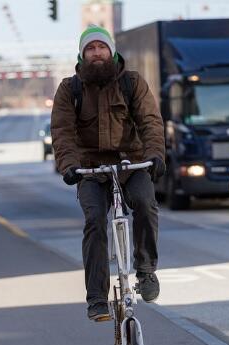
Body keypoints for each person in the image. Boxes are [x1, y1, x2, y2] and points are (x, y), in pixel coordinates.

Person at [51, 25, 166, 321]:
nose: (97, 53)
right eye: (90, 49)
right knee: (94, 221)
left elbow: (150, 122)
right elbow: (62, 132)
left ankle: (146, 271)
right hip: (90, 168)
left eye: (102, 47)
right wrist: (69, 165)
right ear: (82, 54)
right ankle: (97, 298)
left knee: (145, 203)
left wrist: (155, 154)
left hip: (132, 163)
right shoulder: (69, 89)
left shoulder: (132, 83)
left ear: (112, 51)